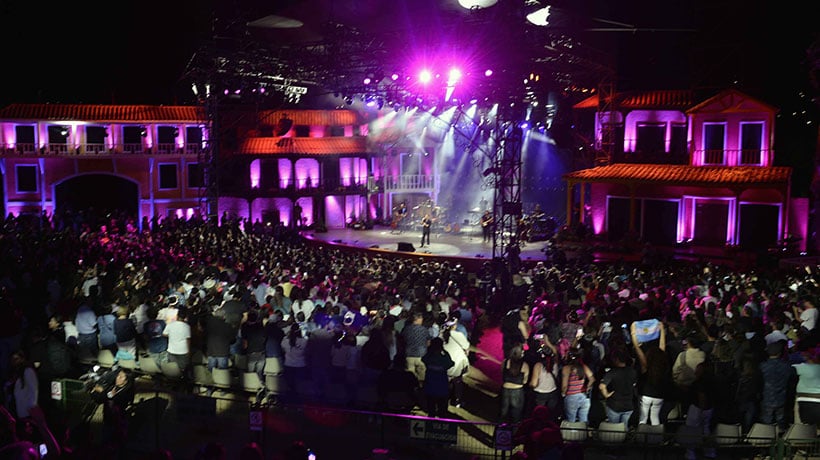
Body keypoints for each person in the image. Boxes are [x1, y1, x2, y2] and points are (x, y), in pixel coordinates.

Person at [631, 321, 669, 425]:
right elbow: (662, 347)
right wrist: (662, 330)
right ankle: (656, 435)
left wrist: (633, 333)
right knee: (655, 418)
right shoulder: (663, 363)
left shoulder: (646, 365)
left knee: (643, 419)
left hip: (646, 395)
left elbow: (637, 348)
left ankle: (641, 434)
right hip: (659, 395)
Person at [599, 348, 638, 425]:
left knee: (614, 428)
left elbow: (601, 386)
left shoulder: (612, 372)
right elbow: (635, 384)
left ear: (616, 359)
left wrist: (606, 395)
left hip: (614, 405)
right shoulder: (633, 371)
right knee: (624, 427)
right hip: (628, 405)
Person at [421, 337, 454, 418]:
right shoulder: (444, 358)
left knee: (431, 411)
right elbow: (451, 363)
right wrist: (445, 352)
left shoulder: (429, 357)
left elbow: (423, 359)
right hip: (442, 387)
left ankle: (430, 424)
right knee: (442, 412)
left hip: (430, 386)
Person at [561, 350, 595, 423]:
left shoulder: (566, 368)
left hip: (571, 397)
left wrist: (563, 394)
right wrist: (588, 387)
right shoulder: (583, 367)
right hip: (584, 397)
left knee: (571, 421)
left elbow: (564, 386)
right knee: (584, 421)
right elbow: (592, 379)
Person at [501, 343, 530, 424]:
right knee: (516, 414)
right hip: (518, 390)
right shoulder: (525, 365)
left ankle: (501, 429)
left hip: (505, 389)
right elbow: (525, 381)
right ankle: (514, 430)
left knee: (503, 412)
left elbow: (502, 374)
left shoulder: (505, 362)